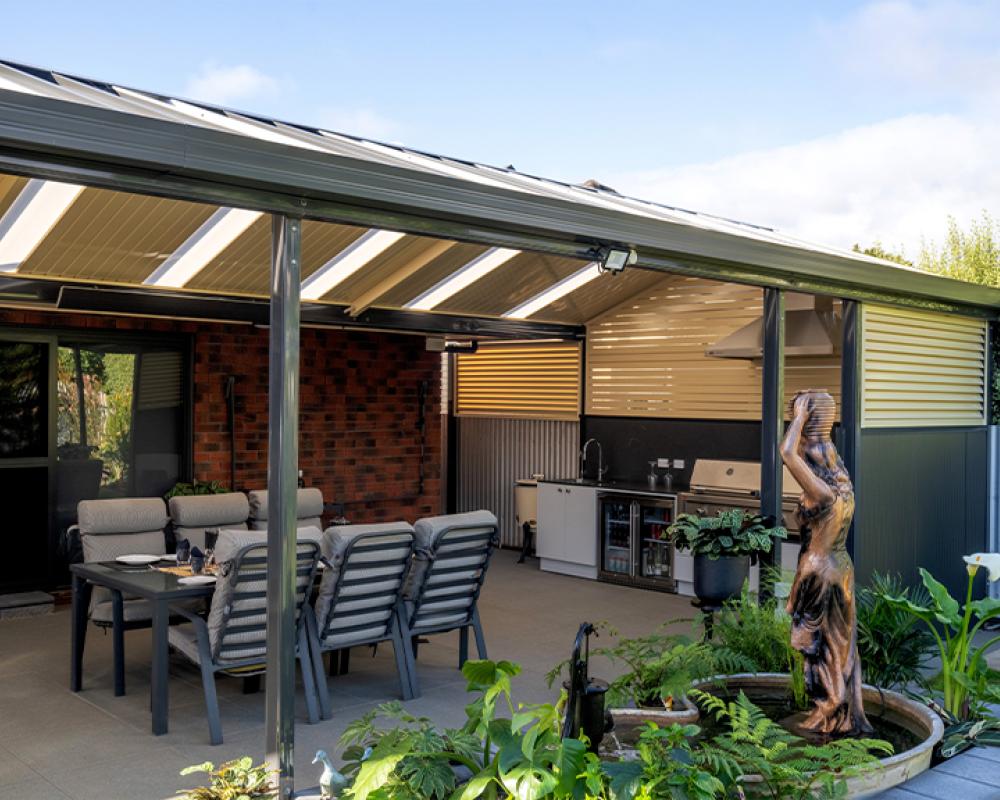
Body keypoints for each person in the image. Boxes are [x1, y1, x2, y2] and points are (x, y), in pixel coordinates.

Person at [780, 389, 873, 737]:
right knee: (842, 650)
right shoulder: (837, 469)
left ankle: (827, 712)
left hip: (818, 572)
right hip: (843, 570)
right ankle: (843, 717)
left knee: (820, 653)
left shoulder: (822, 492)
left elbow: (786, 452)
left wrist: (799, 417)